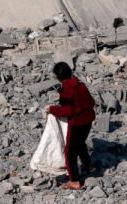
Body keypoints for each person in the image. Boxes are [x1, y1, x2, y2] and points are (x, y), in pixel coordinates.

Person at [47, 62, 96, 190]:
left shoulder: (67, 90)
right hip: (88, 119)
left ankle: (74, 181)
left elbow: (68, 111)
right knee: (80, 143)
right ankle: (88, 166)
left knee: (70, 151)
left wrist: (52, 109)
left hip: (77, 122)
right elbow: (92, 102)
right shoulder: (81, 85)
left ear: (58, 77)